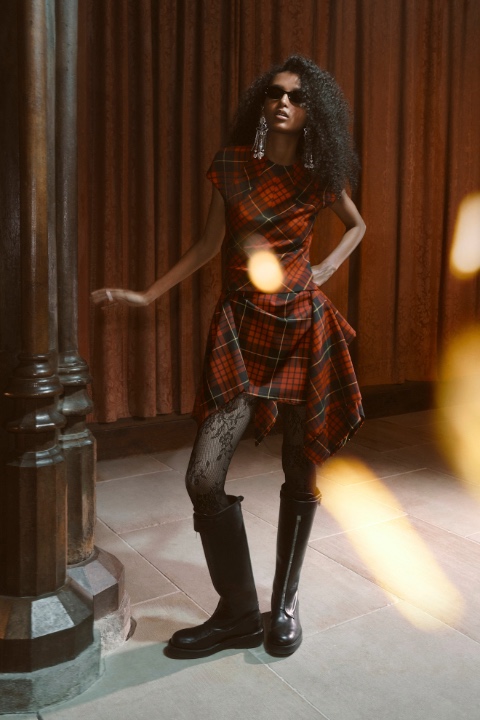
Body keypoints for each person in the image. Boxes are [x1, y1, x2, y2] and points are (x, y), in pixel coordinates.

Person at [92, 55, 366, 659]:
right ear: (262, 104)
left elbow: (357, 224)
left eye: (297, 97)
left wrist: (326, 267)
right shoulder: (233, 165)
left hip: (302, 327)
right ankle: (239, 613)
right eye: (275, 93)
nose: (283, 103)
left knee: (301, 468)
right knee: (203, 477)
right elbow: (206, 246)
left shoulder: (319, 176)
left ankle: (285, 603)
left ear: (313, 112)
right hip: (241, 327)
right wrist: (146, 295)